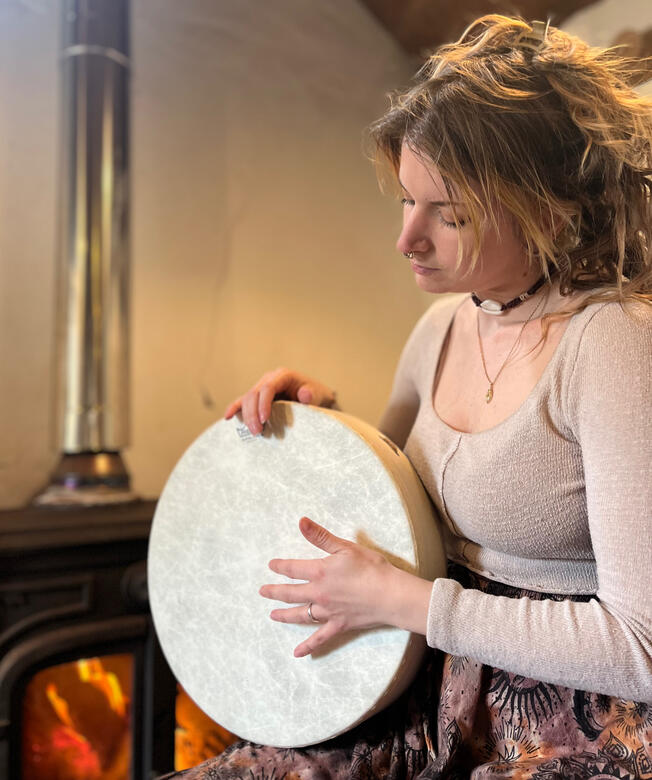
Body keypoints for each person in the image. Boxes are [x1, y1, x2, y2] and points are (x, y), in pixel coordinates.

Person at [162, 14, 652, 779]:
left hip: (571, 737)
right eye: (405, 201)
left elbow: (641, 649)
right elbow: (392, 505)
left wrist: (416, 606)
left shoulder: (615, 345)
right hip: (424, 704)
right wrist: (319, 427)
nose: (408, 239)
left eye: (448, 214)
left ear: (548, 208)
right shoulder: (439, 330)